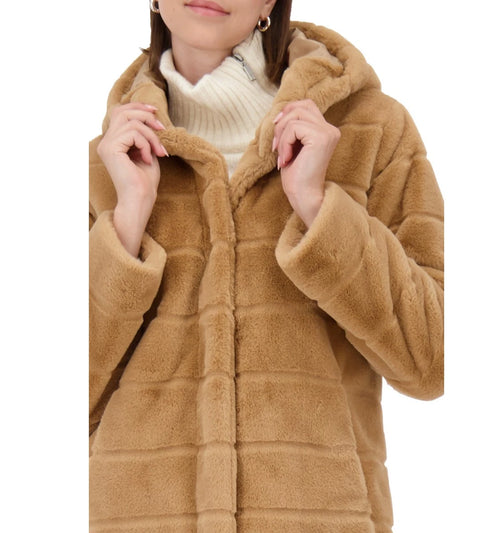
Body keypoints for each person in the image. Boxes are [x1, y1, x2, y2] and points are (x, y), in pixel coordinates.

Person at [89, 0, 444, 531]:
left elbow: (434, 361)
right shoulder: (108, 162)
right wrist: (126, 225)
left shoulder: (368, 131)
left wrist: (320, 210)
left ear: (269, 3)